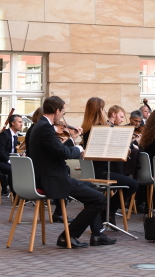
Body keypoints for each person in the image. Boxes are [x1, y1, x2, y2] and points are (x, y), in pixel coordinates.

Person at [29, 96, 115, 248]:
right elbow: (64, 154)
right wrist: (79, 149)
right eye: (63, 113)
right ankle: (68, 236)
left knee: (93, 190)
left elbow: (55, 150)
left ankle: (97, 235)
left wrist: (72, 139)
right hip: (54, 180)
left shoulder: (41, 126)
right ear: (57, 111)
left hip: (51, 176)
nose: (63, 116)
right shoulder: (46, 128)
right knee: (99, 199)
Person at [81, 99, 138, 225]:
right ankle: (109, 209)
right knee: (133, 184)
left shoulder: (86, 129)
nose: (104, 111)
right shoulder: (100, 129)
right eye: (103, 109)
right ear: (99, 110)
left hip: (93, 172)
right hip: (101, 173)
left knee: (125, 181)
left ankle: (108, 210)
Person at [0, 113, 24, 198]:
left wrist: (20, 154)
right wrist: (11, 161)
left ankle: (24, 193)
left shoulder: (18, 136)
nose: (21, 124)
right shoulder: (4, 134)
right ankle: (16, 196)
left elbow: (14, 150)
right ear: (12, 123)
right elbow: (0, 152)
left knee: (24, 169)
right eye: (19, 122)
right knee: (12, 170)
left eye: (21, 122)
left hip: (8, 160)